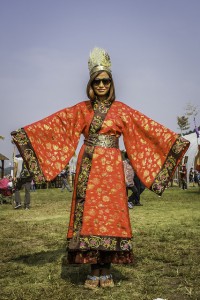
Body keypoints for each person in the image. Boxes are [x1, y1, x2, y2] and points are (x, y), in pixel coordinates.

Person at [11, 47, 190, 289]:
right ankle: (94, 270)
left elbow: (145, 128)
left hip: (112, 170)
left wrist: (175, 143)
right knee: (91, 217)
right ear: (91, 84)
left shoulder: (122, 110)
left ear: (111, 82)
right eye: (97, 81)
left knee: (111, 217)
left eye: (106, 80)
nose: (102, 85)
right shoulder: (82, 109)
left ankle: (107, 269)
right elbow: (57, 124)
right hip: (89, 169)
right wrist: (26, 137)